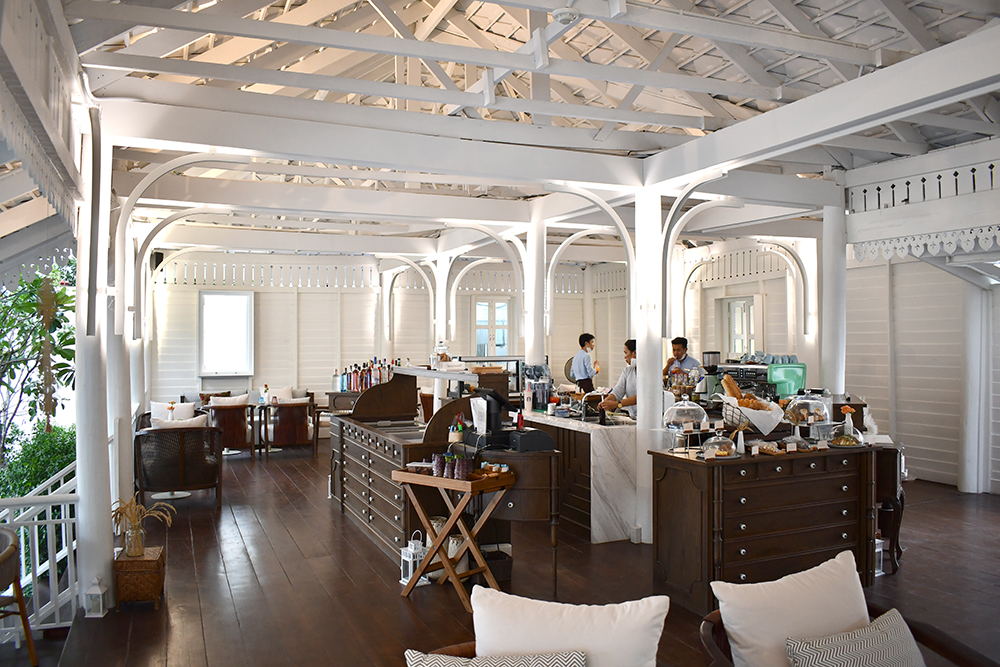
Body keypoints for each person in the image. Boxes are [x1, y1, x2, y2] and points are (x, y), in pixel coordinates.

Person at [599, 339, 637, 418]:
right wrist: (607, 401)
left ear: (635, 353)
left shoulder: (649, 373)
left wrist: (617, 404)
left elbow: (642, 396)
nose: (625, 356)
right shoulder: (627, 371)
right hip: (634, 417)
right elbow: (618, 391)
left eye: (626, 353)